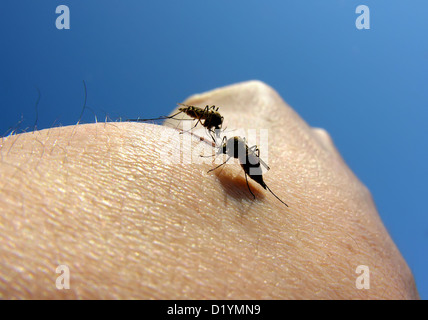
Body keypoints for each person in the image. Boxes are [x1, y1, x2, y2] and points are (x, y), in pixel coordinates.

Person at [0, 81, 418, 299]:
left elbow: (227, 142)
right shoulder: (214, 131)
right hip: (235, 150)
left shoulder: (222, 137)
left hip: (240, 155)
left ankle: (270, 187)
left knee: (235, 153)